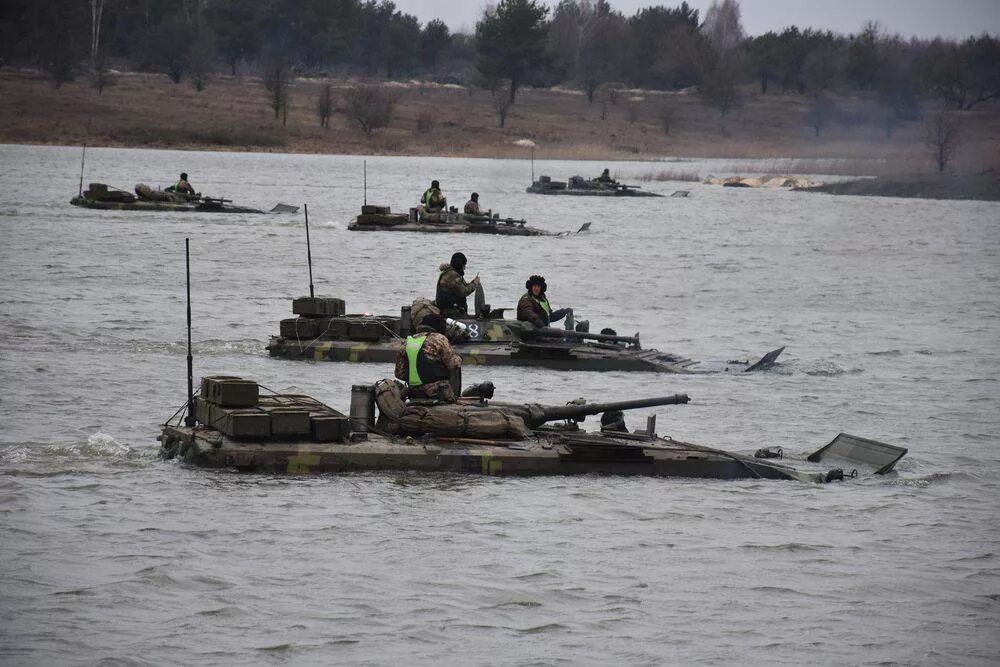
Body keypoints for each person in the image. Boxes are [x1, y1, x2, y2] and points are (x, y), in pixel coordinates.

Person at [394, 314, 462, 402]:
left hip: (413, 392)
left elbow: (399, 374)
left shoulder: (407, 341)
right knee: (456, 363)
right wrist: (459, 357)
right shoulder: (439, 338)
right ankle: (454, 398)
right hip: (438, 391)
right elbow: (454, 364)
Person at [435, 252, 479, 318]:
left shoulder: (449, 273)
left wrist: (473, 282)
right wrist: (474, 284)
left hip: (449, 309)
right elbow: (464, 292)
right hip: (450, 311)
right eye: (464, 265)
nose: (464, 268)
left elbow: (461, 287)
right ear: (459, 265)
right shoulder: (452, 275)